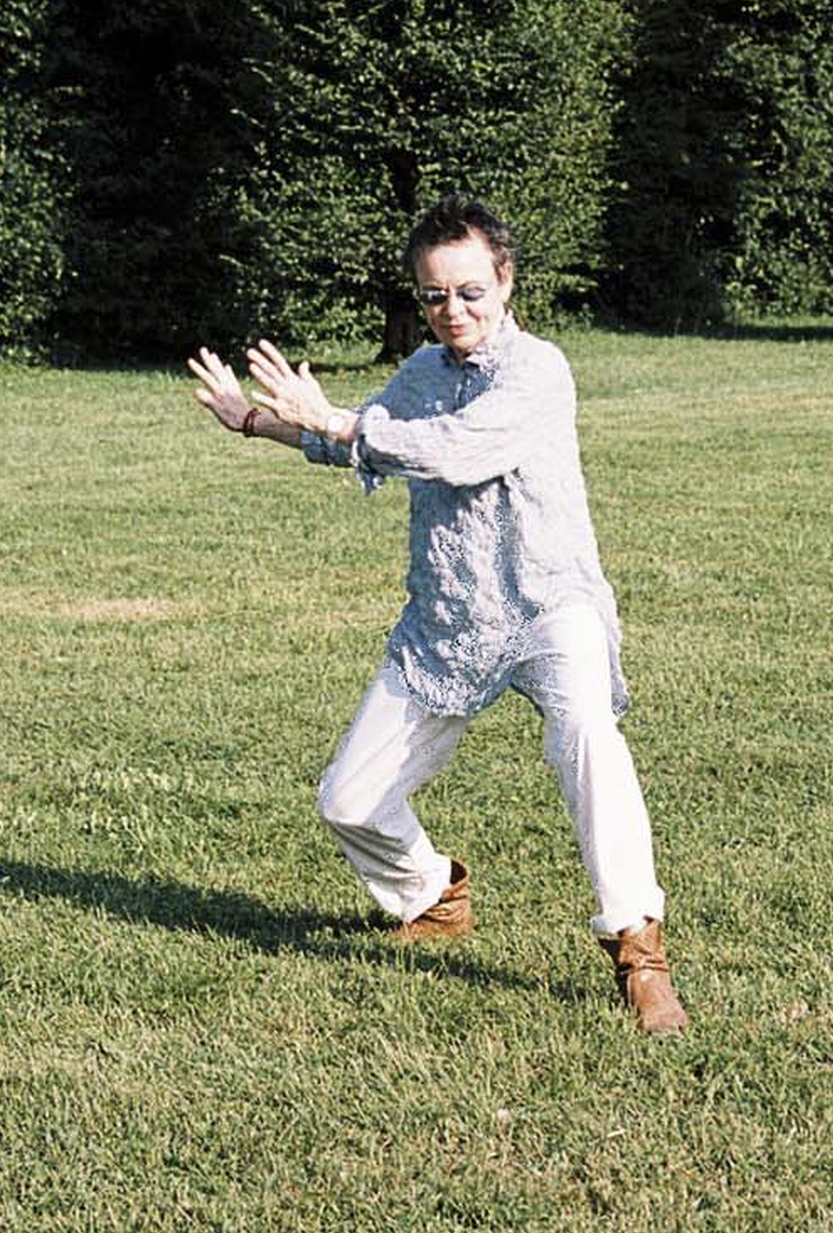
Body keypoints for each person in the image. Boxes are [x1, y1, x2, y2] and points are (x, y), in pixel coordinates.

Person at [186, 194, 688, 1034]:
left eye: (469, 291)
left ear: (506, 281)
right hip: (448, 619)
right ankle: (432, 894)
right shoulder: (421, 373)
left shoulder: (540, 371)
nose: (452, 310)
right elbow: (359, 440)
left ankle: (639, 949)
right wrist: (255, 423)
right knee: (348, 800)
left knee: (589, 738)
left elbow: (458, 451)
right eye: (433, 295)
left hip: (547, 602)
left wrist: (340, 419)